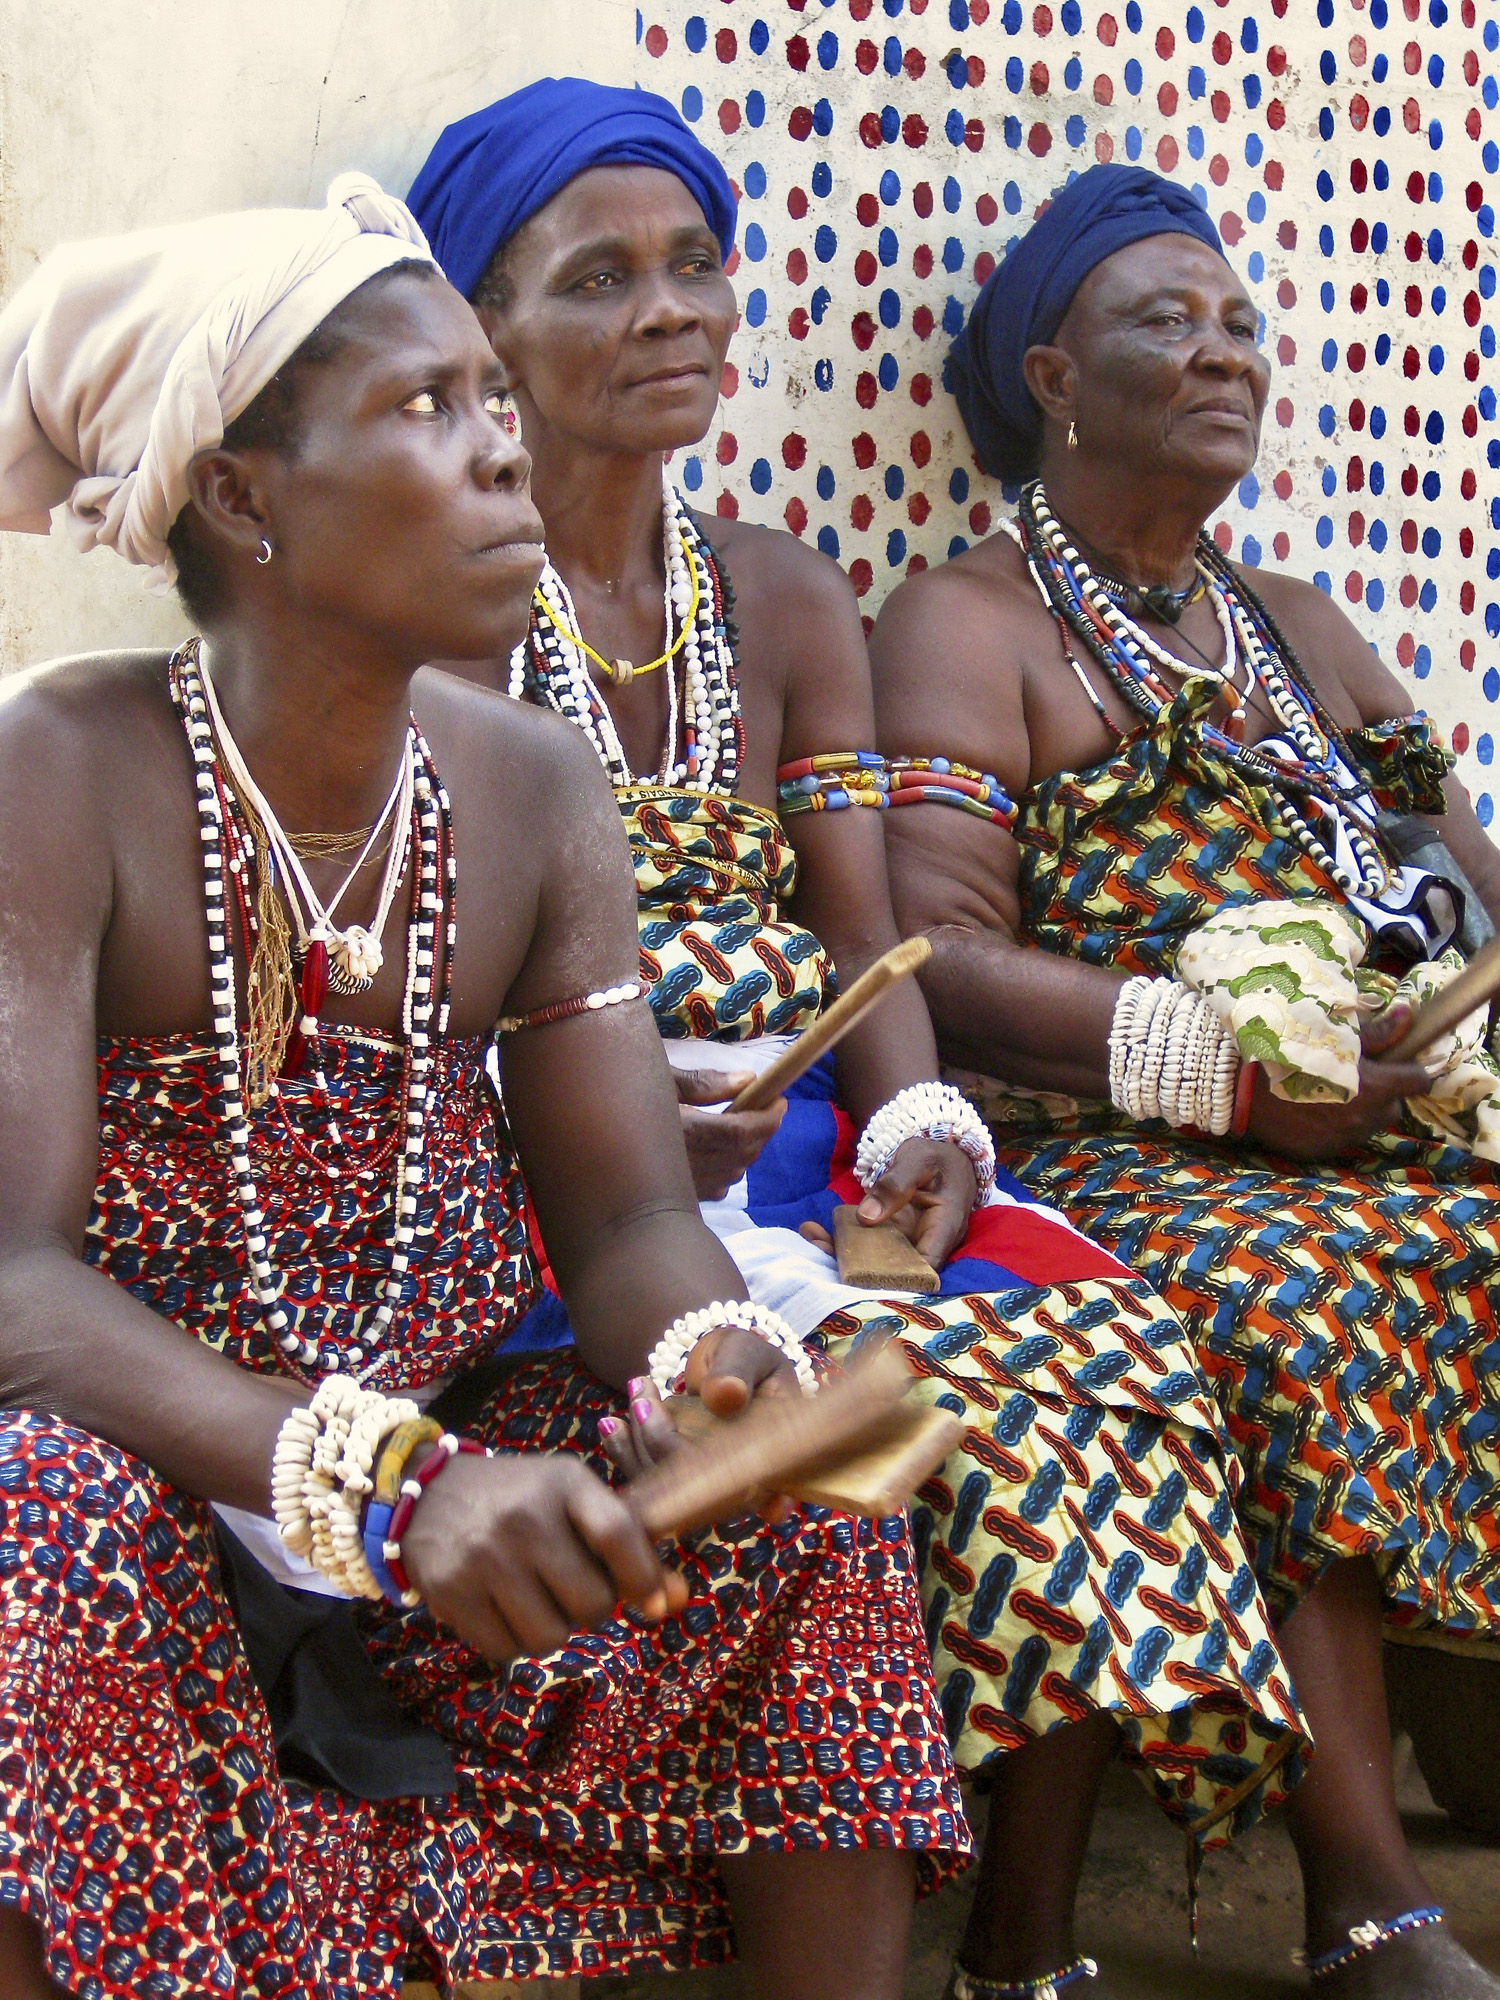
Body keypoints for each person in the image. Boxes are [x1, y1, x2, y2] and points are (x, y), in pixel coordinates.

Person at [0, 177, 974, 2000]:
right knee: (19, 1525)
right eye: (425, 409)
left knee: (815, 1523)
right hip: (166, 1489)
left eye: (488, 399)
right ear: (238, 494)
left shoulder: (530, 790)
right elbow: (11, 1287)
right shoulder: (65, 769)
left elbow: (623, 1219)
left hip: (452, 1494)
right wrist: (376, 1481)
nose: (498, 454)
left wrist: (710, 1369)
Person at [409, 86, 1310, 2000]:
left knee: (1109, 1349)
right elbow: (432, 972)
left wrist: (917, 1116)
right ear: (482, 335)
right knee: (897, 1422)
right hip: (564, 1169)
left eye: (699, 268)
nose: (677, 313)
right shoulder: (439, 617)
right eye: (603, 279)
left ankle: (1027, 1932)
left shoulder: (783, 591)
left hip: (810, 1154)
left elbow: (868, 929)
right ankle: (803, 1889)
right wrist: (626, 1112)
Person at [869, 160, 1500, 1999]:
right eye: (1169, 322)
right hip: (1113, 1141)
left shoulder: (1300, 631)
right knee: (1287, 1299)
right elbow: (946, 963)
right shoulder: (970, 624)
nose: (1224, 354)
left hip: (1364, 1131)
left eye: (1240, 323)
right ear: (1054, 378)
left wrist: (1433, 1016)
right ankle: (1367, 1898)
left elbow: (1452, 885)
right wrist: (1220, 1069)